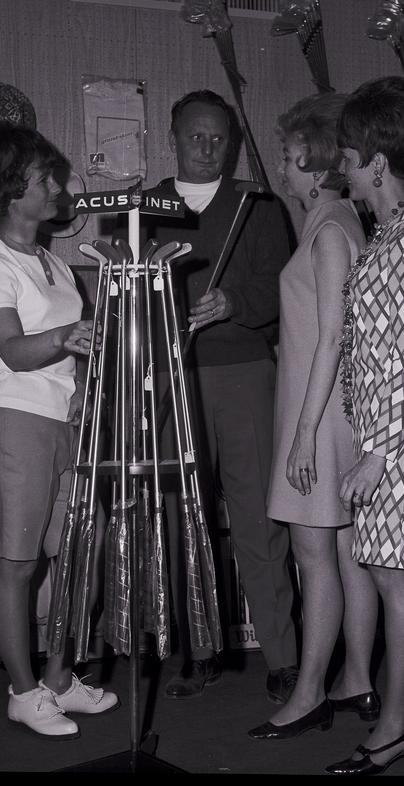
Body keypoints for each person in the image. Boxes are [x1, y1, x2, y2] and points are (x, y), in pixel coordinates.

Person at [119, 90, 298, 702]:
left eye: (219, 138)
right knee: (176, 521)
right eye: (196, 137)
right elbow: (124, 298)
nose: (207, 148)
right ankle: (199, 652)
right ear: (171, 138)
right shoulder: (142, 208)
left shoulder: (258, 204)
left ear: (233, 143)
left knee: (259, 522)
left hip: (246, 375)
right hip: (170, 379)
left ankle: (283, 658)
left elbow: (281, 291)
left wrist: (235, 302)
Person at [0, 121, 118, 740]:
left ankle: (59, 677)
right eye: (42, 178)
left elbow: (71, 352)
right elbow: (14, 351)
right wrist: (65, 337)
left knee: (84, 547)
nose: (56, 186)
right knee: (18, 564)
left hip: (63, 422)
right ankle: (23, 693)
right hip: (13, 423)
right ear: (7, 190)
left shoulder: (54, 263)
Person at [324, 76, 404, 775]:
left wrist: (374, 453)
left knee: (391, 573)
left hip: (398, 437)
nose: (340, 170)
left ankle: (396, 726)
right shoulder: (401, 235)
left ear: (377, 163)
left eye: (347, 158)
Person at [247, 93, 380, 741]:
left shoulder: (329, 229)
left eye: (287, 152)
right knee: (347, 553)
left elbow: (331, 339)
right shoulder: (337, 221)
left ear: (313, 158)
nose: (281, 163)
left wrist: (301, 437)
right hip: (328, 411)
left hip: (319, 416)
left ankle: (308, 695)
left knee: (313, 554)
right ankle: (356, 679)